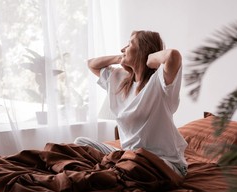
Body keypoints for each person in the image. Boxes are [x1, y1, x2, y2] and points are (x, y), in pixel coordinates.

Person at [74, 30, 187, 177]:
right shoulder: (120, 78)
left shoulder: (161, 81)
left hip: (163, 163)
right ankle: (119, 168)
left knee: (134, 162)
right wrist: (119, 58)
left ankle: (118, 170)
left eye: (129, 44)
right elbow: (91, 64)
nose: (123, 48)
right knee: (80, 142)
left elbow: (173, 55)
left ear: (143, 50)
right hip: (128, 156)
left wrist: (150, 59)